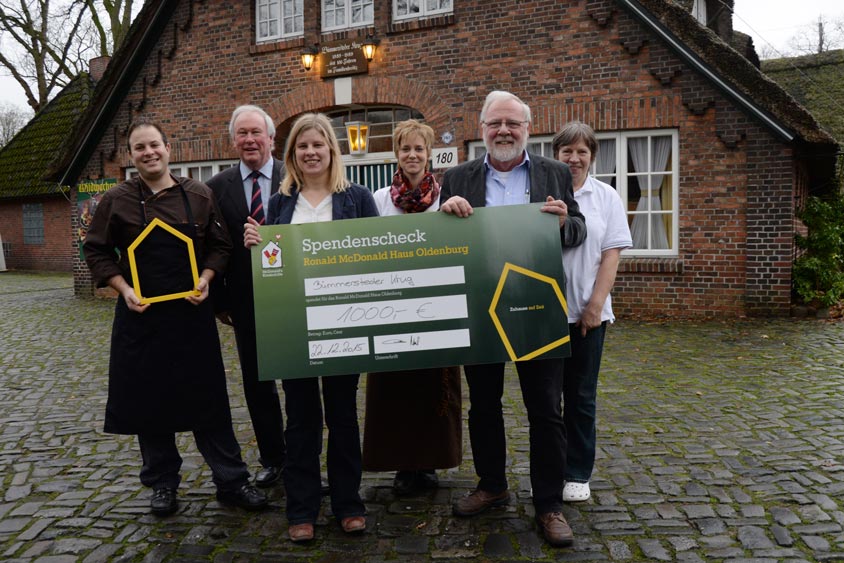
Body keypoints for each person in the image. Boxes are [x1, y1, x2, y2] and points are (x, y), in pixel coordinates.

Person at [83, 117, 267, 516]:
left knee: (209, 401)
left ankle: (231, 480)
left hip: (191, 316)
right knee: (149, 404)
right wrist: (124, 289)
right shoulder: (116, 199)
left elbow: (221, 246)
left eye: (154, 145)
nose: (149, 153)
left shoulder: (198, 194)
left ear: (168, 148)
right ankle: (162, 483)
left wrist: (206, 278)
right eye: (139, 148)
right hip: (140, 318)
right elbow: (95, 251)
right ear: (131, 156)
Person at [439, 90, 586, 547]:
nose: (504, 131)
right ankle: (492, 484)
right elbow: (444, 243)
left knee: (546, 409)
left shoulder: (555, 172)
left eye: (513, 124)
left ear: (527, 127)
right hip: (479, 306)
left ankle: (548, 505)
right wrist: (445, 214)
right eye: (495, 123)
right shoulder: (457, 177)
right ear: (481, 129)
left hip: (536, 305)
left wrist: (564, 222)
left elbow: (579, 231)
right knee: (483, 404)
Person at [243, 113, 376, 543]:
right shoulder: (280, 204)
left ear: (332, 151)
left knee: (342, 416)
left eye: (318, 145)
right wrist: (257, 246)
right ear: (292, 155)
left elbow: (377, 256)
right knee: (300, 420)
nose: (311, 152)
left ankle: (348, 504)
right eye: (303, 146)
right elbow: (272, 266)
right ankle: (301, 508)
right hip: (294, 327)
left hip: (345, 322)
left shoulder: (357, 198)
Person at [362, 119, 462, 495]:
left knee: (435, 386)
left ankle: (430, 461)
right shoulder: (378, 199)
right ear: (396, 154)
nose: (412, 155)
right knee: (395, 388)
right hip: (391, 307)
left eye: (419, 149)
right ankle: (402, 464)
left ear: (429, 153)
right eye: (406, 149)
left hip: (437, 303)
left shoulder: (446, 197)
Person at [552, 121, 632, 503]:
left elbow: (611, 254)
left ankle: (577, 472)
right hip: (545, 315)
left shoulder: (606, 197)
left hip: (588, 314)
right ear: (556, 155)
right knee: (548, 401)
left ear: (592, 157)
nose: (574, 158)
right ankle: (550, 469)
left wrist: (595, 306)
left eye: (582, 151)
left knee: (581, 396)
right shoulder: (543, 194)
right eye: (567, 151)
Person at [207, 105, 286, 488]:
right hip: (245, 300)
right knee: (258, 383)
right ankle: (274, 457)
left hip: (294, 295)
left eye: (257, 132)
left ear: (272, 138)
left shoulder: (297, 175)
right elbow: (214, 244)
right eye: (242, 133)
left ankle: (303, 458)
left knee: (301, 382)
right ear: (233, 140)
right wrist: (220, 300)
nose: (250, 140)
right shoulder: (217, 187)